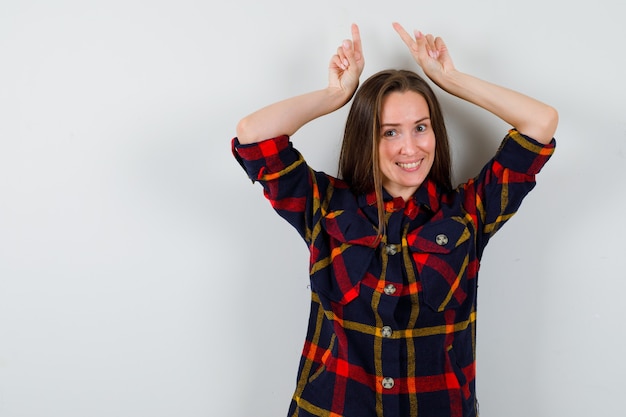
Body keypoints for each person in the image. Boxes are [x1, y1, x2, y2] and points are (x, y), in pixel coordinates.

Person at [231, 22, 557, 417]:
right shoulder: (325, 206)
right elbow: (252, 136)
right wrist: (336, 95)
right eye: (389, 132)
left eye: (421, 128)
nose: (410, 147)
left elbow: (540, 124)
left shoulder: (469, 212)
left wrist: (449, 79)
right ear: (367, 137)